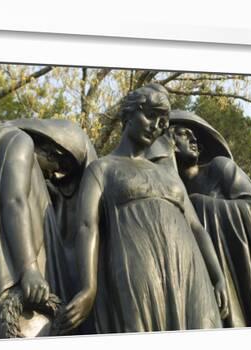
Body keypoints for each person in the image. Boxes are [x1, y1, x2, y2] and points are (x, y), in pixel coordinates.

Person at [59, 85, 228, 334]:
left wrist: (218, 276)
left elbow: (196, 228)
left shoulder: (169, 175)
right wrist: (88, 288)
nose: (155, 126)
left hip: (191, 272)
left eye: (162, 122)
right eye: (150, 115)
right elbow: (87, 226)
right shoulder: (102, 168)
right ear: (128, 114)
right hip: (137, 268)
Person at [149, 110, 251, 327]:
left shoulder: (220, 167)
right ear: (166, 142)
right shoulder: (170, 191)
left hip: (240, 273)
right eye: (183, 134)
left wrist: (199, 205)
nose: (193, 141)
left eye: (195, 138)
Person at [0, 119, 93, 339]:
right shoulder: (21, 142)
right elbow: (15, 201)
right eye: (60, 168)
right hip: (23, 289)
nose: (54, 175)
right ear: (54, 152)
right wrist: (29, 268)